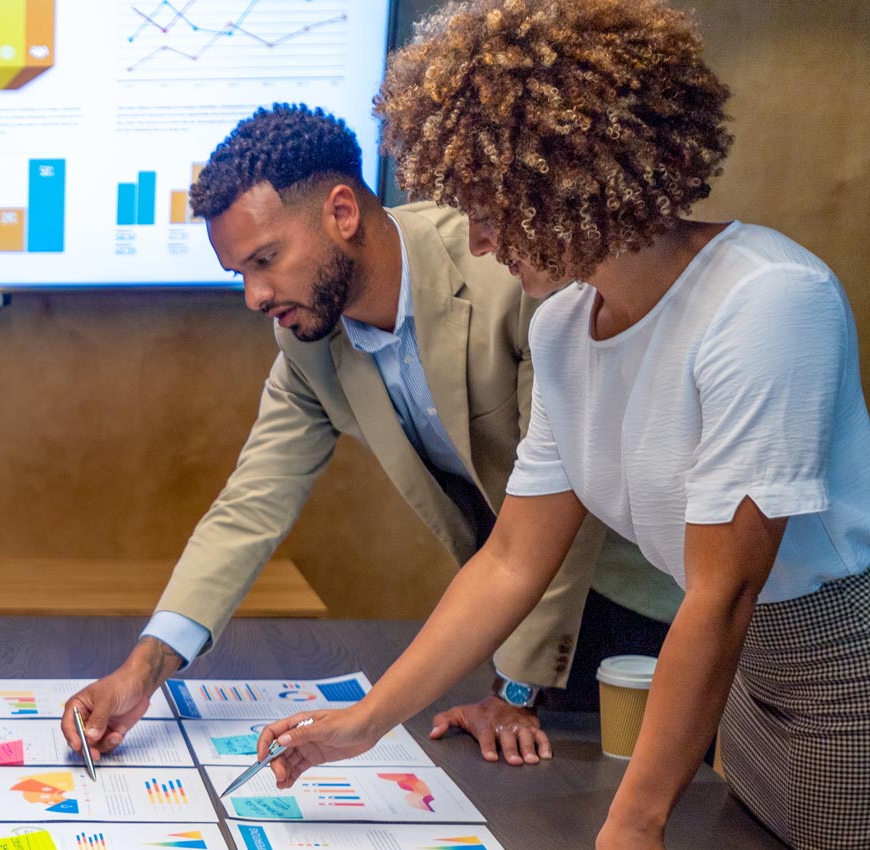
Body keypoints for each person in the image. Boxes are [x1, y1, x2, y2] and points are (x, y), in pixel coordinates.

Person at [257, 3, 870, 848]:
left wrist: (632, 824)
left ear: (575, 177)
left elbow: (722, 592)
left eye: (490, 209)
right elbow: (511, 560)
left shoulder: (766, 298)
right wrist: (364, 722)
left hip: (843, 670)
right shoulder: (560, 328)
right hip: (742, 682)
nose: (477, 242)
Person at [62, 104, 681, 767]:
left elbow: (568, 501)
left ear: (342, 213)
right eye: (239, 272)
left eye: (266, 259)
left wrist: (516, 688)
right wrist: (143, 668)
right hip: (508, 603)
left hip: (636, 596)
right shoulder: (308, 343)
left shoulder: (510, 275)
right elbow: (250, 507)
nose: (254, 296)